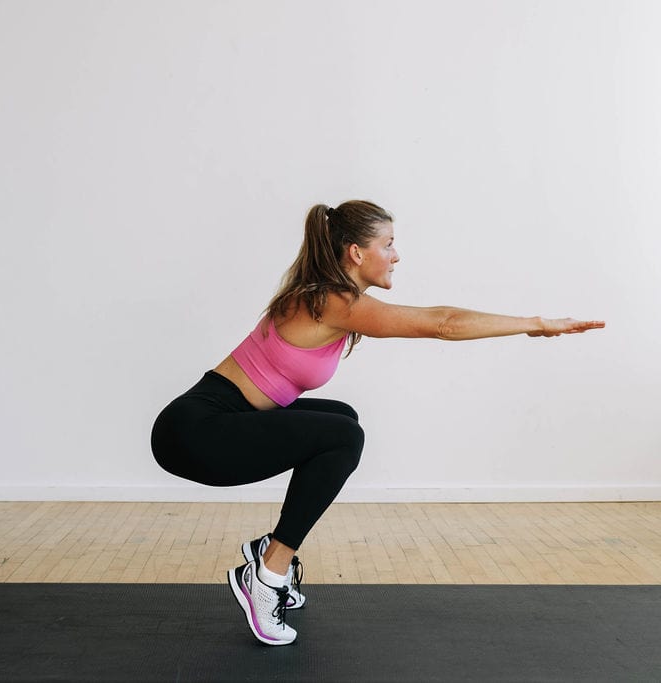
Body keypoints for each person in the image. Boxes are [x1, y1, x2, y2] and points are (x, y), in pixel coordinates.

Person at [150, 200, 605, 646]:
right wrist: (536, 323)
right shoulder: (332, 301)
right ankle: (268, 574)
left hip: (215, 422)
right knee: (343, 436)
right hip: (194, 433)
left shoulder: (329, 297)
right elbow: (441, 324)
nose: (396, 255)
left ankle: (265, 552)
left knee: (342, 420)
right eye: (388, 244)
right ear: (356, 253)